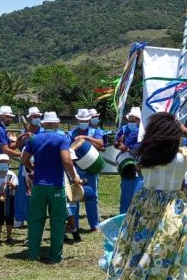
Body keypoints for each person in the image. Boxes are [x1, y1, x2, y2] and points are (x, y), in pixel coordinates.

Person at [99, 112, 187, 280]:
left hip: (143, 206)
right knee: (164, 259)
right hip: (171, 211)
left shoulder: (144, 156)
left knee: (136, 253)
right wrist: (186, 130)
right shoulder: (182, 156)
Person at [22, 111, 80, 264]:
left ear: (43, 123)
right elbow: (67, 161)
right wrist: (75, 177)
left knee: (35, 220)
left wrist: (33, 168)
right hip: (56, 186)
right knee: (57, 221)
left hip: (38, 186)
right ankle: (55, 256)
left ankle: (33, 254)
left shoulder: (34, 139)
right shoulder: (62, 139)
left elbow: (24, 159)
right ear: (56, 123)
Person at [65, 108, 108, 240]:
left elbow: (101, 145)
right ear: (78, 120)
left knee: (92, 196)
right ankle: (74, 223)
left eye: (86, 120)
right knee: (74, 196)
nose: (84, 122)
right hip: (77, 168)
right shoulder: (72, 133)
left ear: (89, 120)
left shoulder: (96, 132)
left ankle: (94, 224)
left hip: (91, 168)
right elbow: (67, 148)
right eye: (81, 120)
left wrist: (86, 138)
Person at [13, 107, 41, 228]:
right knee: (21, 191)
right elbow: (15, 146)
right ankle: (19, 218)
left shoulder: (43, 131)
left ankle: (33, 218)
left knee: (35, 193)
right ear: (29, 118)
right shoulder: (23, 131)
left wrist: (33, 138)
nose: (36, 119)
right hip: (25, 163)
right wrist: (23, 138)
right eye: (33, 117)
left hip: (38, 164)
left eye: (38, 116)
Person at [115, 106, 143, 214]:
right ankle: (123, 216)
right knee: (126, 193)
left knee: (138, 191)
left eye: (134, 119)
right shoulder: (123, 129)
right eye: (130, 119)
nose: (131, 121)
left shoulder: (143, 131)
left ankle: (136, 216)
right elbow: (116, 143)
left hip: (140, 164)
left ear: (139, 120)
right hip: (126, 164)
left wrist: (125, 146)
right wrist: (119, 145)